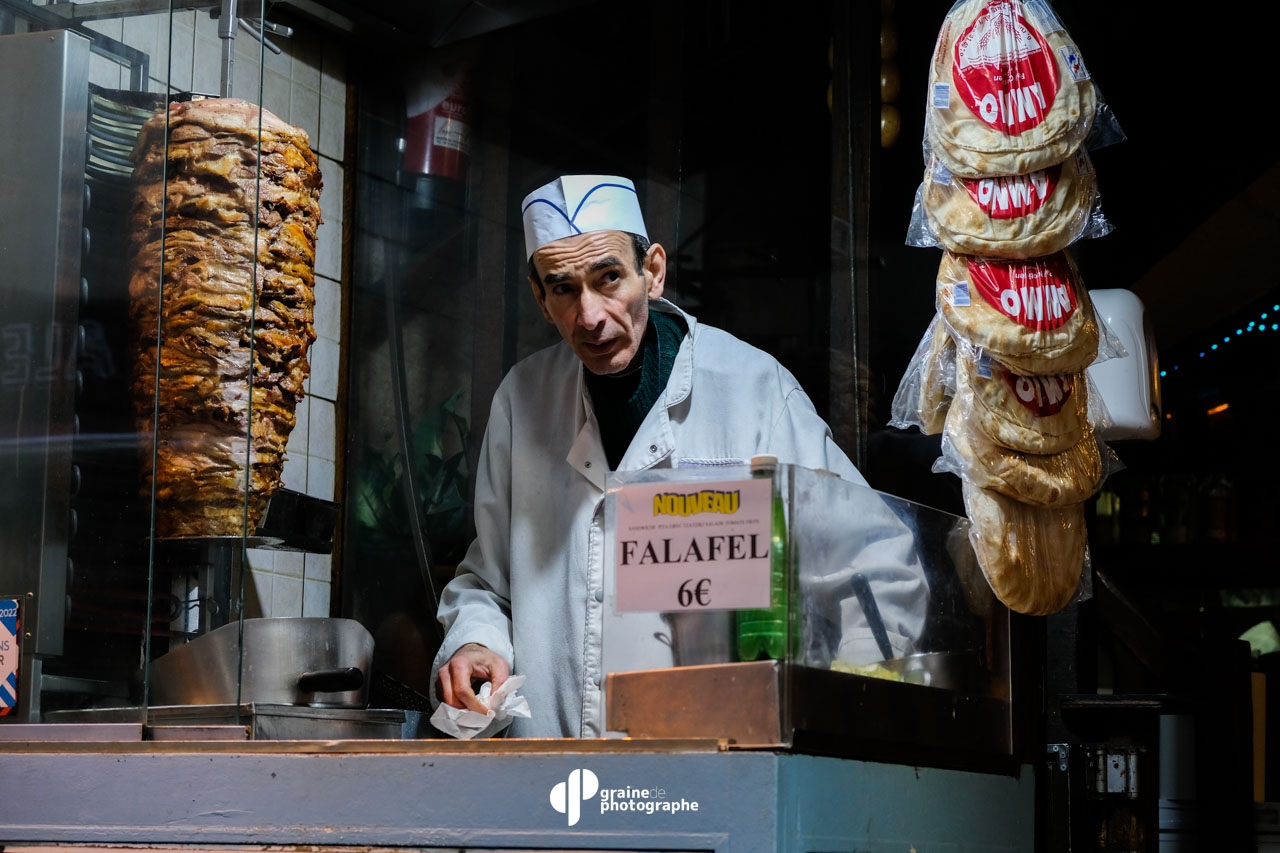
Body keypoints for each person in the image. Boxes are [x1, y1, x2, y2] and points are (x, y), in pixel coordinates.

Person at [431, 174, 929, 738]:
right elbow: (488, 582)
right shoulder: (523, 402)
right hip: (555, 788)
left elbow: (883, 564)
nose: (590, 316)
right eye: (564, 288)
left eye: (609, 277)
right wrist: (477, 641)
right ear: (540, 300)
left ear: (654, 272)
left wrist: (823, 704)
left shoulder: (753, 392)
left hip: (718, 783)